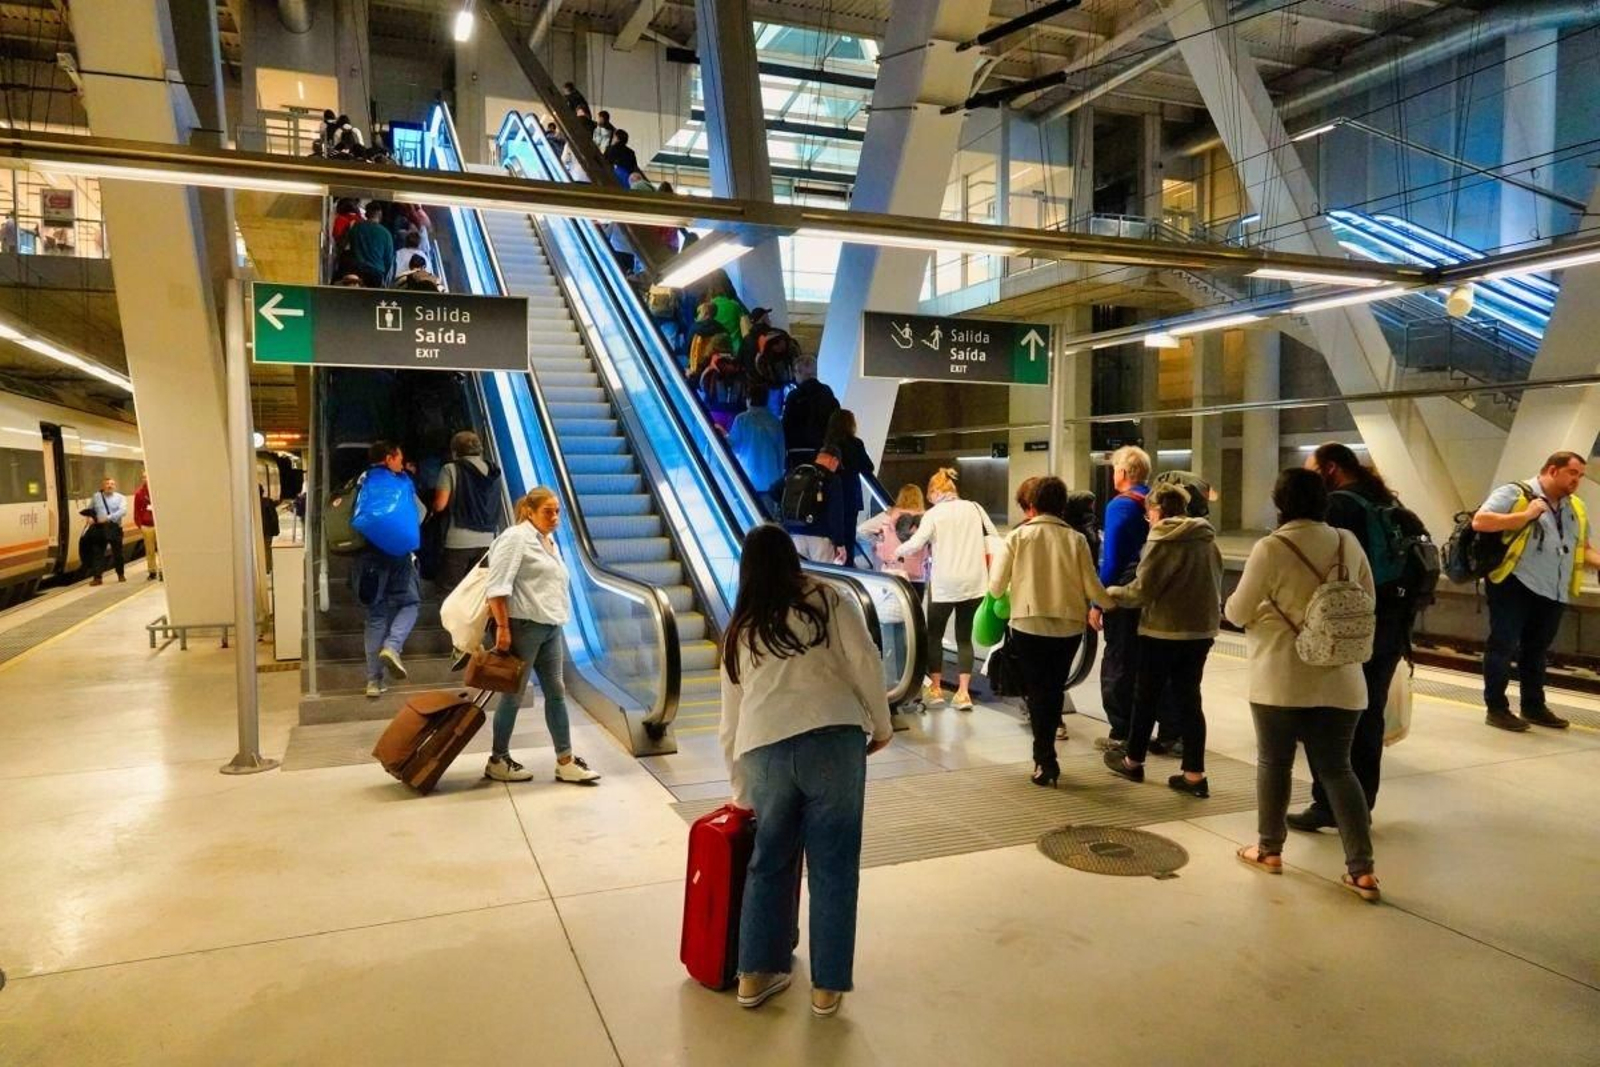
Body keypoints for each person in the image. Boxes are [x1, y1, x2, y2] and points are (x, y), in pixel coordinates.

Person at [718, 524, 892, 1017]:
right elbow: (865, 660)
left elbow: (730, 720)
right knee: (834, 865)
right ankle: (826, 988)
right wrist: (881, 725)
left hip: (764, 748)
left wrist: (740, 790)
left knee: (769, 859)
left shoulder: (741, 627)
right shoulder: (830, 598)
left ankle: (755, 975)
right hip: (833, 739)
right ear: (792, 558)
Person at [1225, 469, 1381, 901]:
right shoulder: (1347, 542)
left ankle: (1269, 851)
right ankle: (1362, 871)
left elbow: (1236, 612)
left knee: (1274, 763)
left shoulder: (1271, 547)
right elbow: (1367, 602)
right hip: (1341, 678)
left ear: (1280, 503)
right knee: (1338, 769)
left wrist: (1267, 613)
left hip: (1281, 676)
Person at [1289, 443, 1414, 831]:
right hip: (1391, 624)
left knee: (1328, 715)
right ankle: (1361, 804)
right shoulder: (1387, 501)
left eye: (1312, 471)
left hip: (1347, 628)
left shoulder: (1340, 507)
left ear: (1329, 469)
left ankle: (1328, 804)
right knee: (1369, 713)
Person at [1103, 482, 1223, 797]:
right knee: (1190, 700)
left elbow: (1141, 592)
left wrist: (1109, 593)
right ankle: (1194, 775)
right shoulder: (1207, 539)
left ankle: (1132, 762)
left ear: (1156, 511)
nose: (1149, 520)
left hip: (1163, 631)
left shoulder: (1160, 540)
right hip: (1201, 632)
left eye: (1148, 515)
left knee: (1146, 697)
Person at [988, 476, 1109, 785]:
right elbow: (1092, 584)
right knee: (1054, 688)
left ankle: (1045, 760)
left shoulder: (1018, 537)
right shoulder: (1076, 539)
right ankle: (1046, 756)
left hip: (1028, 624)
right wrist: (1112, 603)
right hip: (1069, 626)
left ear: (1033, 503)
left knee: (1036, 690)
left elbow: (996, 586)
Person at [1472, 450, 1600, 732]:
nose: (1577, 480)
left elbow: (1584, 549)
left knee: (1537, 650)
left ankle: (1533, 706)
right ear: (1553, 470)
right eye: (1572, 473)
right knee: (1503, 645)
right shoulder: (1515, 493)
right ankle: (1497, 708)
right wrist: (1525, 516)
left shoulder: (1576, 507)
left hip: (1553, 588)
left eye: (1580, 475)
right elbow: (1480, 521)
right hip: (1513, 583)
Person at [483, 487, 602, 785]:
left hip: (550, 626)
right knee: (513, 694)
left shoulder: (548, 541)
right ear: (530, 511)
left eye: (557, 511)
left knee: (556, 691)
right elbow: (496, 586)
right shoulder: (515, 538)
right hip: (524, 626)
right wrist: (503, 628)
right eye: (548, 511)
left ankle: (565, 761)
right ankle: (498, 759)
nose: (555, 517)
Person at [895, 467, 998, 710]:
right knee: (964, 638)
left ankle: (936, 689)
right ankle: (963, 693)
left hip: (944, 584)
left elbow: (916, 543)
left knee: (934, 635)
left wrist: (896, 552)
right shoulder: (974, 508)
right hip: (974, 583)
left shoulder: (934, 514)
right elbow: (993, 536)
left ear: (934, 491)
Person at [1091, 445, 1152, 751]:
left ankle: (1120, 733)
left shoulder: (1121, 505)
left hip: (1124, 595)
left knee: (1118, 662)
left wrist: (1097, 602)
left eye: (1115, 468)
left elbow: (1112, 560)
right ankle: (1153, 730)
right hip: (1151, 594)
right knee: (1146, 664)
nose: (1113, 474)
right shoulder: (1154, 500)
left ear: (1124, 472)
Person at [354, 442, 423, 699]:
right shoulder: (402, 482)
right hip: (399, 556)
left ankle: (374, 681)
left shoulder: (361, 481)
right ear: (389, 458)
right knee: (411, 604)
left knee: (375, 617)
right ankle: (393, 646)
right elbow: (419, 513)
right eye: (399, 459)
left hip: (369, 558)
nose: (402, 464)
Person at [433, 430, 503, 593]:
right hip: (487, 540)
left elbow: (440, 505)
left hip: (458, 541)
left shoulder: (450, 469)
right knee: (477, 591)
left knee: (450, 590)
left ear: (455, 451)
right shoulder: (494, 471)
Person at [858, 483, 928, 602]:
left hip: (892, 572)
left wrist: (879, 541)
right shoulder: (927, 518)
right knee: (915, 609)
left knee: (891, 608)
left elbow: (862, 530)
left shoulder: (888, 516)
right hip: (918, 575)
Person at [785, 445, 854, 563]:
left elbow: (774, 491)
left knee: (797, 572)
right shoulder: (832, 479)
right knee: (822, 573)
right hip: (820, 539)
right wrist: (840, 543)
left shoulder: (799, 472)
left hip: (794, 535)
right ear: (834, 460)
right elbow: (836, 513)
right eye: (837, 466)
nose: (836, 469)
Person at [729, 386, 786, 505]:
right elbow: (781, 452)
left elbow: (733, 447)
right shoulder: (775, 421)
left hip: (748, 478)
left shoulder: (741, 419)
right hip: (771, 479)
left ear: (749, 399)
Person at [782, 355, 839, 471]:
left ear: (800, 372)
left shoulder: (794, 396)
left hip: (798, 451)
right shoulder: (827, 394)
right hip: (823, 450)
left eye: (795, 372)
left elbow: (787, 424)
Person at [822, 409, 875, 525]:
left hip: (831, 494)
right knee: (849, 530)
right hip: (851, 494)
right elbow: (869, 467)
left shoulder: (828, 445)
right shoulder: (856, 444)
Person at [344, 202, 395, 288]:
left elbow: (348, 247)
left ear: (366, 214)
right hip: (376, 273)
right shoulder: (386, 234)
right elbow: (389, 259)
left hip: (357, 270)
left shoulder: (356, 228)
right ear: (380, 214)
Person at [88, 476, 127, 585]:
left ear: (115, 486)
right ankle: (97, 578)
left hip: (114, 528)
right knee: (97, 553)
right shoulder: (96, 496)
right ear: (103, 486)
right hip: (99, 529)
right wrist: (90, 517)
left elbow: (123, 511)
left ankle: (120, 574)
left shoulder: (120, 497)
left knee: (118, 553)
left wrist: (108, 518)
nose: (109, 486)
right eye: (107, 484)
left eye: (112, 484)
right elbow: (90, 509)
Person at [134, 470, 159, 581]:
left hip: (159, 526)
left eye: (147, 476)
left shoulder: (158, 491)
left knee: (161, 550)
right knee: (150, 550)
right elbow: (136, 511)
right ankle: (152, 571)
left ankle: (163, 571)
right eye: (144, 477)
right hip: (147, 526)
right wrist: (140, 525)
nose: (146, 479)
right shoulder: (139, 493)